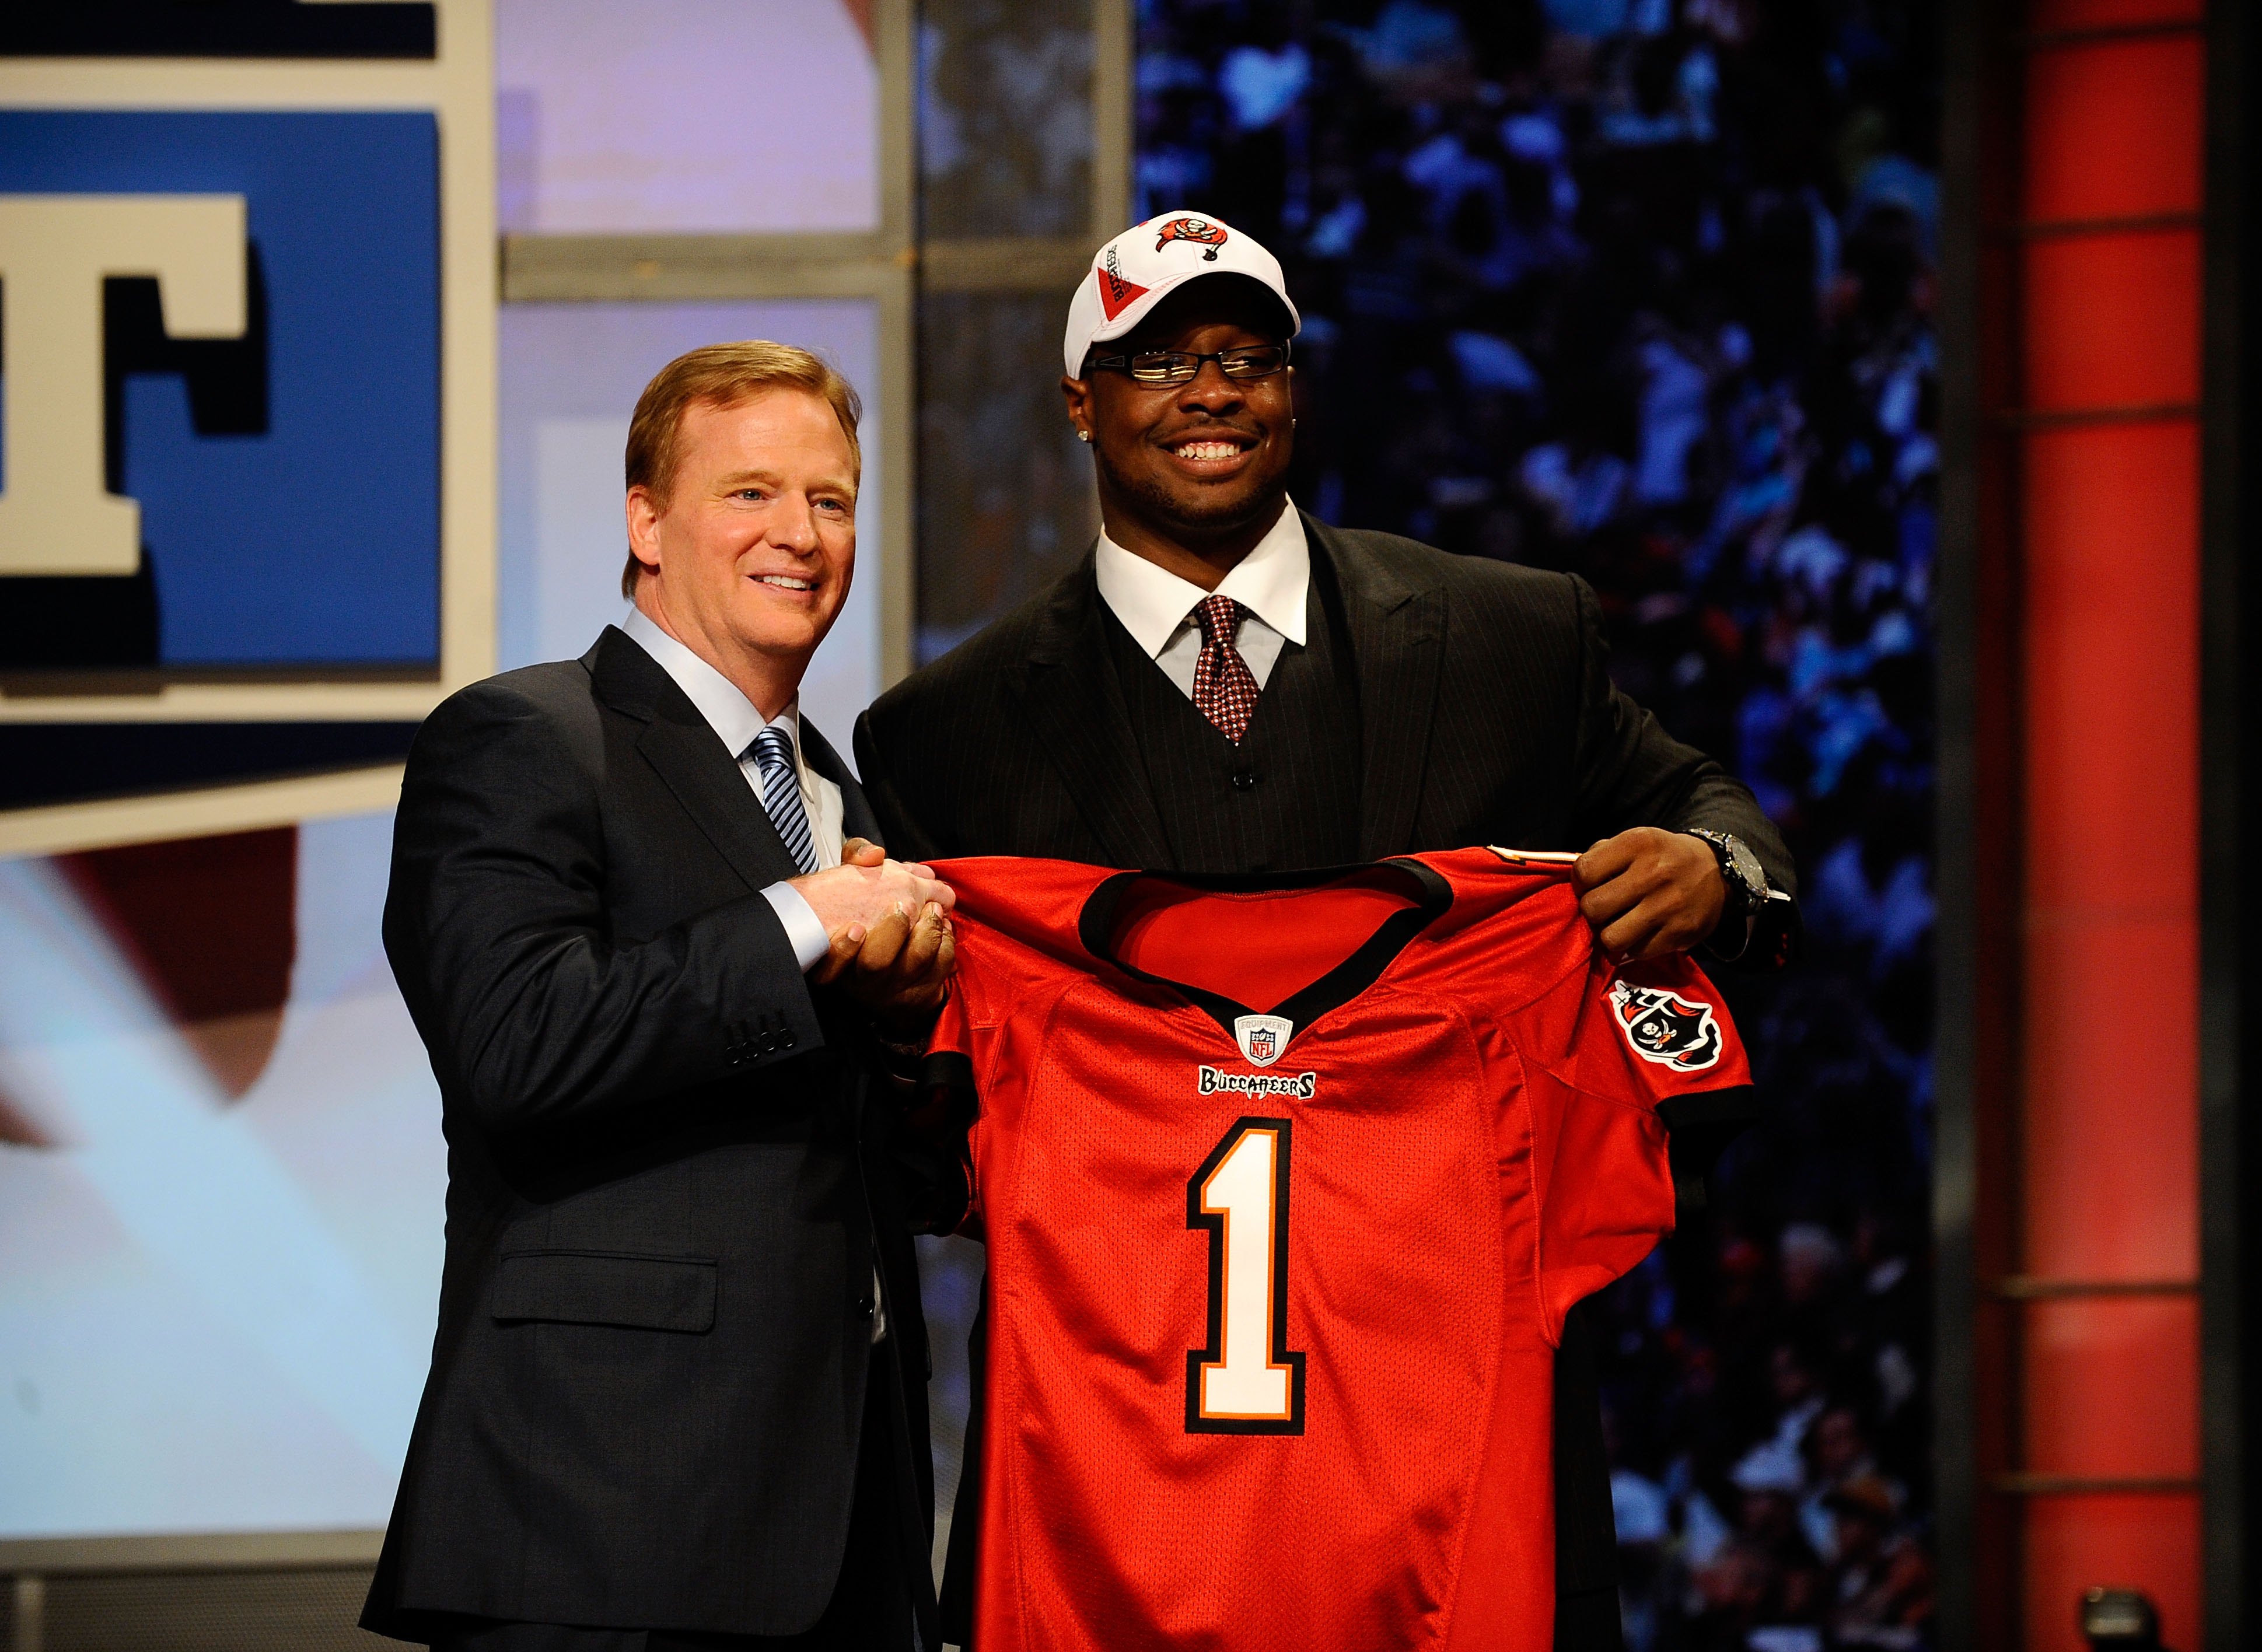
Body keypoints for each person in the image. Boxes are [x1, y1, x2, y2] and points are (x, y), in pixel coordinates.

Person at [855, 212, 1798, 1649]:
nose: (1211, 392)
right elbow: (934, 1145)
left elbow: (1708, 809)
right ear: (1081, 401)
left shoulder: (1509, 637)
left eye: (1247, 356)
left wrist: (1714, 872)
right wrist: (895, 1025)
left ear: (1296, 387)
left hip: (1462, 1456)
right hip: (1113, 1479)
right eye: (1159, 357)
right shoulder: (945, 737)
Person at [363, 342, 956, 1652]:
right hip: (599, 1517)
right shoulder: (523, 736)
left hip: (844, 1521)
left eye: (831, 500)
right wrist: (801, 917)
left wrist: (914, 1029)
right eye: (749, 493)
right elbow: (518, 1047)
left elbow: (871, 1167)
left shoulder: (844, 801)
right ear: (644, 518)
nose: (797, 535)